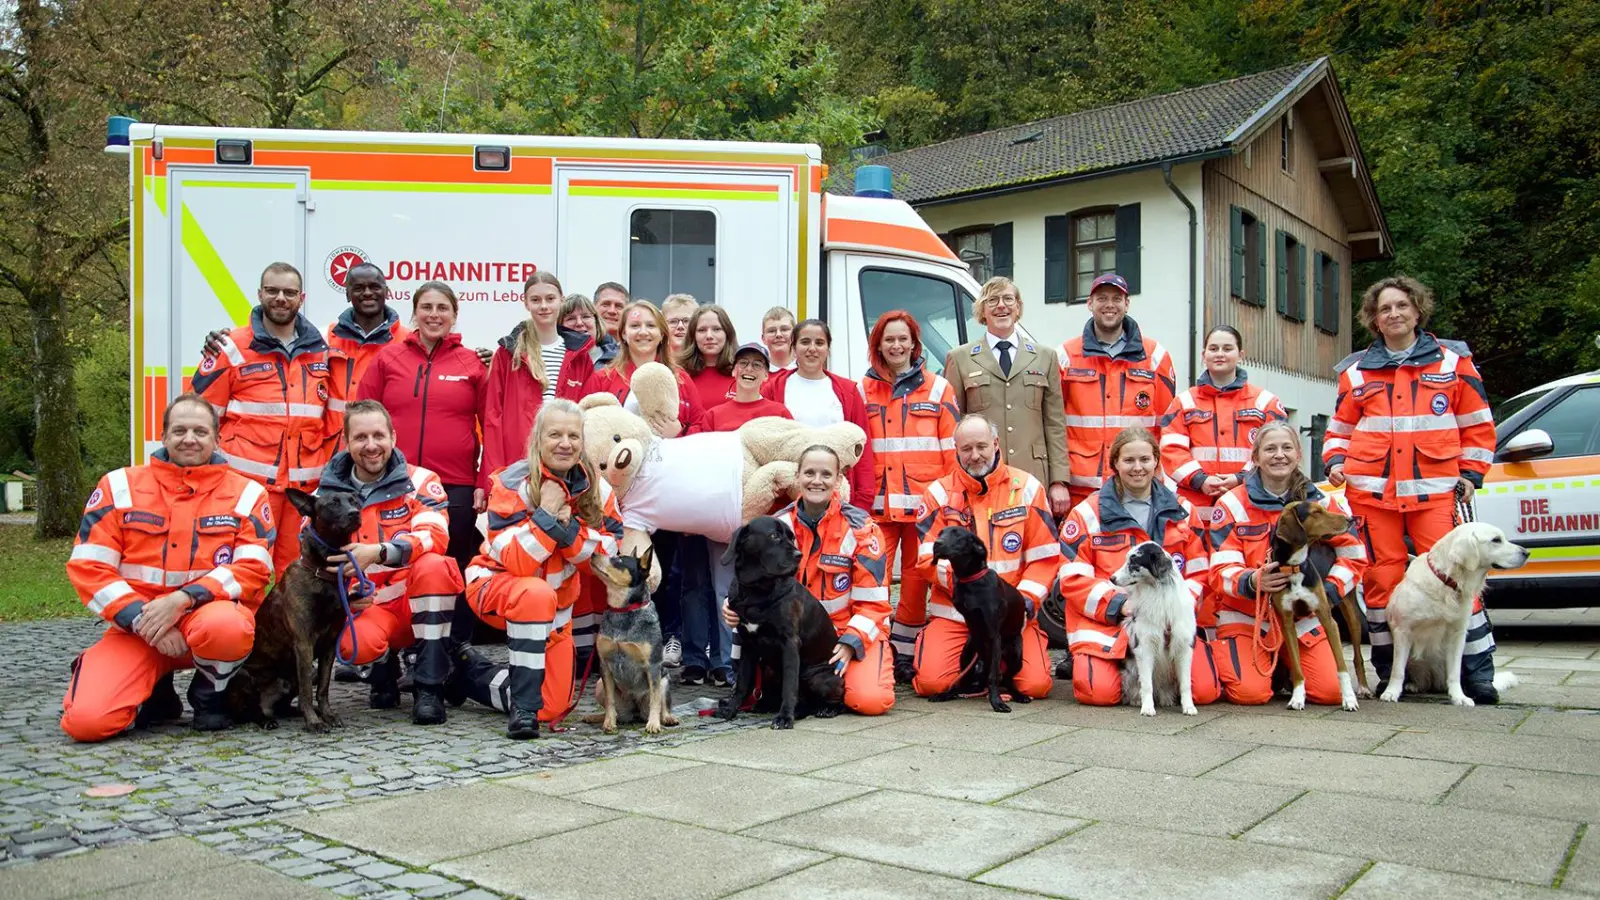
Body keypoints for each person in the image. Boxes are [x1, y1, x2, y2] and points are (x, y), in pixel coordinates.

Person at [1323, 275, 1500, 702]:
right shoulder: (1355, 370)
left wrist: (1472, 475)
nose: (1394, 314)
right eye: (1384, 309)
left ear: (1417, 310)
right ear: (1374, 319)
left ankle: (1477, 676)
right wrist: (1335, 461)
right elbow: (1339, 428)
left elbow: (1477, 425)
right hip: (1371, 494)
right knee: (1382, 582)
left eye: (1402, 305)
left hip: (1435, 492)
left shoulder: (1451, 362)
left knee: (1459, 578)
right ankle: (1391, 674)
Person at [61, 393, 272, 741]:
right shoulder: (118, 486)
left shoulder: (247, 493)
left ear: (217, 439)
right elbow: (89, 567)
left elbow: (252, 567)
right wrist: (146, 622)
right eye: (180, 430)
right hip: (138, 626)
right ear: (163, 436)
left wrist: (182, 600)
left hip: (205, 619)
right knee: (87, 724)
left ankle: (209, 697)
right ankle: (152, 690)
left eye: (201, 432)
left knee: (229, 626)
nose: (190, 439)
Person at [458, 399, 622, 738]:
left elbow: (607, 556)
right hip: (496, 588)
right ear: (538, 440)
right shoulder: (510, 482)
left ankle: (466, 675)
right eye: (555, 434)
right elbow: (518, 560)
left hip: (555, 610)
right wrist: (547, 513)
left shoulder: (599, 488)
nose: (565, 443)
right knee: (534, 591)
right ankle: (523, 710)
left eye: (573, 436)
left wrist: (564, 531)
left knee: (554, 707)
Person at [317, 400, 463, 723]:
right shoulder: (325, 495)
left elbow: (434, 536)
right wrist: (347, 600)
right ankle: (381, 668)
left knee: (436, 565)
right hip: (367, 607)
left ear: (393, 437)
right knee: (354, 647)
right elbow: (314, 561)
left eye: (379, 436)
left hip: (415, 602)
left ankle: (429, 687)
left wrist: (379, 552)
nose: (371, 446)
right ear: (346, 441)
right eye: (361, 438)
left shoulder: (422, 481)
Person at [724, 445, 895, 715]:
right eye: (810, 473)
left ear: (839, 480)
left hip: (847, 633)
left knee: (870, 700)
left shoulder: (862, 529)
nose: (817, 480)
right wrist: (733, 605)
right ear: (797, 476)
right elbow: (749, 574)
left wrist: (851, 643)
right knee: (763, 698)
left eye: (826, 474)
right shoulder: (778, 526)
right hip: (794, 633)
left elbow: (875, 605)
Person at [1056, 426, 1221, 707]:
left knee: (1204, 692)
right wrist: (1121, 605)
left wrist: (1176, 609)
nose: (1137, 468)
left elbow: (1199, 571)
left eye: (1145, 459)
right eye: (1128, 460)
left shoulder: (1183, 510)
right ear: (1115, 465)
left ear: (1157, 461)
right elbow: (1071, 578)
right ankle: (1085, 662)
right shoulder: (1087, 513)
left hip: (1170, 625)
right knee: (1100, 693)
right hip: (1111, 626)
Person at [191, 262, 336, 577]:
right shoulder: (229, 347)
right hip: (244, 486)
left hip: (303, 492)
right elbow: (199, 419)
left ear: (302, 297)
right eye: (272, 290)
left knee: (297, 575)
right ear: (259, 294)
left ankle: (284, 629)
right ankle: (236, 627)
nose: (281, 298)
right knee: (240, 570)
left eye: (289, 292)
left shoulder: (322, 352)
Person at [583, 301, 706, 666]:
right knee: (621, 567)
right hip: (618, 492)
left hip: (664, 487)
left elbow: (700, 426)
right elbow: (587, 428)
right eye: (634, 325)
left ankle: (668, 636)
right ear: (621, 333)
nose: (642, 332)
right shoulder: (605, 377)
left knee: (665, 567)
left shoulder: (680, 378)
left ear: (662, 333)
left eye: (650, 325)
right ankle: (619, 639)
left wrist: (681, 431)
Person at [1209, 422, 1367, 707]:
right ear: (1255, 457)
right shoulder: (1232, 504)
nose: (1279, 455)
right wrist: (1252, 581)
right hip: (1249, 620)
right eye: (1270, 449)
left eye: (1286, 448)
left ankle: (1286, 666)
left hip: (1302, 619)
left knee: (1331, 693)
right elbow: (1219, 571)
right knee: (1249, 694)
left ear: (1298, 455)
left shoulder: (1320, 501)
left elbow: (1354, 555)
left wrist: (1327, 593)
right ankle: (1275, 668)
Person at [910, 415, 1056, 700]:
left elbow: (1045, 558)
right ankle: (978, 667)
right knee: (933, 685)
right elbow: (927, 558)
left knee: (1034, 687)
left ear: (996, 444)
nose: (974, 455)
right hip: (956, 613)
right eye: (966, 449)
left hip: (1009, 617)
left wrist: (1021, 604)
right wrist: (969, 593)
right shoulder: (938, 494)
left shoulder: (1027, 488)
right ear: (956, 450)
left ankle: (990, 670)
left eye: (981, 446)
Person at [1158, 324, 1287, 636]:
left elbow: (1277, 446)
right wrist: (1200, 479)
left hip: (1248, 501)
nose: (1220, 354)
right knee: (1201, 566)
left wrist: (1241, 478)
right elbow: (1171, 447)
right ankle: (1205, 638)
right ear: (1203, 355)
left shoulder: (1265, 402)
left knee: (1241, 562)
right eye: (1213, 348)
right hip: (1198, 502)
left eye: (1227, 348)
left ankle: (1250, 636)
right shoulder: (1184, 403)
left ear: (1240, 354)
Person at [357, 282, 488, 582]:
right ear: (414, 313)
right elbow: (360, 418)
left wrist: (483, 482)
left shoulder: (473, 363)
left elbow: (491, 425)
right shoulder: (387, 358)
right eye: (426, 307)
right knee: (396, 563)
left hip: (455, 484)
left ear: (454, 315)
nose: (434, 314)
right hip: (393, 481)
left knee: (454, 566)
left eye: (442, 308)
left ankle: (455, 632)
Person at [859, 311, 958, 681]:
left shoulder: (938, 388)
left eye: (904, 340)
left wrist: (949, 503)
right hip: (878, 507)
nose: (897, 346)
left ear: (915, 345)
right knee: (873, 580)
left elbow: (951, 449)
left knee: (918, 584)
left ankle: (905, 654)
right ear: (879, 346)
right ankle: (877, 646)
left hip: (923, 508)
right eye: (890, 340)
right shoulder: (863, 390)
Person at [943, 277, 1072, 519]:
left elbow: (1055, 424)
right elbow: (951, 425)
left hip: (1034, 475)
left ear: (1018, 307)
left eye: (1008, 299)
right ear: (982, 310)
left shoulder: (1045, 357)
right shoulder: (959, 358)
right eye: (992, 300)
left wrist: (1059, 481)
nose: (1001, 306)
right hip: (981, 476)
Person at [1056, 273, 1178, 511]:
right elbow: (1052, 425)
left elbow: (1168, 426)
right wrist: (1057, 480)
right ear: (1089, 304)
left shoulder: (1155, 357)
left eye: (1116, 298)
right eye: (1101, 298)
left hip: (1137, 487)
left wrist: (1160, 477)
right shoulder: (1066, 356)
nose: (1109, 304)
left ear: (1127, 304)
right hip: (1080, 489)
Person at [761, 319, 876, 506]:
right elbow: (764, 443)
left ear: (828, 349)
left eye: (819, 343)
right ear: (794, 347)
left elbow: (863, 449)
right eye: (805, 342)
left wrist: (863, 502)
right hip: (786, 499)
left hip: (838, 499)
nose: (812, 348)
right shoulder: (772, 389)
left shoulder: (848, 391)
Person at [483, 272, 578, 481]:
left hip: (566, 464)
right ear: (525, 303)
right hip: (518, 464)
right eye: (536, 300)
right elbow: (492, 417)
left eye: (550, 299)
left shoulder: (579, 355)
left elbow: (586, 417)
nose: (544, 306)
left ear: (562, 300)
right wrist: (491, 478)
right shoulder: (508, 353)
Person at [326, 262, 411, 405]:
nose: (367, 293)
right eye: (358, 288)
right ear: (348, 294)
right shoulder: (328, 337)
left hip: (384, 428)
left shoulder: (408, 340)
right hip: (338, 427)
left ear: (387, 292)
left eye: (374, 287)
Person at [695, 342, 792, 433]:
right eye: (743, 363)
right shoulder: (713, 416)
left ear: (766, 375)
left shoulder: (779, 413)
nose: (749, 369)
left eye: (757, 365)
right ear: (733, 371)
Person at [679, 304, 738, 407]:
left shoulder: (742, 373)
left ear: (727, 334)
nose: (709, 336)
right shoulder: (679, 376)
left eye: (716, 329)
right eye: (702, 330)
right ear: (693, 336)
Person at [760, 306, 797, 371]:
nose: (778, 335)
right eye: (771, 331)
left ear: (795, 335)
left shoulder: (807, 369)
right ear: (763, 338)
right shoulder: (757, 372)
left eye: (784, 329)